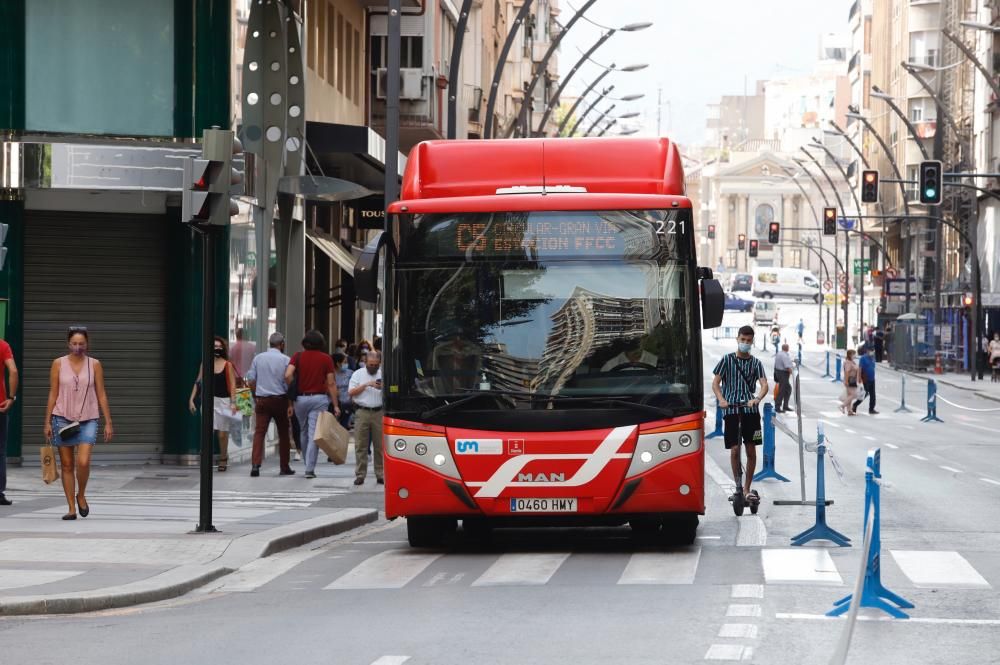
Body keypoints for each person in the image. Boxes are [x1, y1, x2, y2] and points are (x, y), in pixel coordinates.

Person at [44, 327, 113, 520]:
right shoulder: (58, 364)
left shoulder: (95, 365)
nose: (78, 347)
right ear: (68, 344)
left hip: (89, 417)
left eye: (81, 343)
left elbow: (101, 393)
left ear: (87, 344)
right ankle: (71, 508)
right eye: (74, 343)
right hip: (62, 417)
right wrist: (47, 422)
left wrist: (108, 421)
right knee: (67, 464)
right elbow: (53, 393)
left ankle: (81, 494)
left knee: (83, 461)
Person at [711, 326, 768, 506]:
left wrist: (757, 398)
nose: (745, 343)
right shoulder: (727, 360)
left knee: (751, 450)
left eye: (748, 341)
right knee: (735, 449)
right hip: (731, 409)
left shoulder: (756, 363)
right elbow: (715, 383)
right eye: (742, 339)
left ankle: (746, 488)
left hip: (750, 410)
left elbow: (764, 384)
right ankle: (737, 485)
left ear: (752, 342)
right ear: (737, 339)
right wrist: (721, 399)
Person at [286, 330, 339, 479]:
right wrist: (335, 405)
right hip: (318, 399)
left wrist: (293, 386)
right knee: (314, 434)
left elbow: (287, 374)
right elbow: (331, 383)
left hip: (300, 399)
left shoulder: (298, 356)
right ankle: (309, 468)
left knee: (303, 431)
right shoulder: (326, 359)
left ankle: (306, 462)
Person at [245, 332, 294, 477]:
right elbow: (289, 383)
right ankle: (284, 466)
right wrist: (290, 404)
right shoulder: (286, 360)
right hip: (280, 399)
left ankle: (255, 464)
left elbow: (251, 380)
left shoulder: (258, 358)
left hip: (262, 400)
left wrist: (256, 395)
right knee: (284, 432)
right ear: (282, 344)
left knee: (259, 432)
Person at [188, 336, 238, 471]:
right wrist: (191, 399)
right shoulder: (205, 363)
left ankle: (223, 457)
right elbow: (198, 382)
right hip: (209, 401)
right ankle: (206, 458)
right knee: (207, 431)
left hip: (225, 401)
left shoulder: (228, 365)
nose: (216, 349)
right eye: (214, 346)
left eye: (219, 346)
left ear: (223, 349)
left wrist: (233, 403)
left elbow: (233, 385)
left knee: (222, 434)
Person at [349, 350, 384, 486]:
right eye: (370, 364)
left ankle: (380, 474)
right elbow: (351, 392)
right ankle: (360, 474)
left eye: (375, 365)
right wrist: (366, 385)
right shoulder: (358, 374)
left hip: (379, 411)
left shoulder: (383, 374)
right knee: (360, 445)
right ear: (365, 362)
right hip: (362, 412)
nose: (373, 367)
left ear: (379, 363)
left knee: (379, 446)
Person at [0, 336, 18, 507]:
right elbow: (12, 371)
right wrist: (11, 397)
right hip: (0, 405)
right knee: (0, 450)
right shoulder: (2, 345)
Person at [852, 346, 878, 415]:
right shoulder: (863, 358)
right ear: (867, 351)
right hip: (866, 379)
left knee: (873, 394)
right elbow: (860, 369)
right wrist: (859, 378)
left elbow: (873, 367)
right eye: (871, 351)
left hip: (872, 379)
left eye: (873, 351)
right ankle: (855, 405)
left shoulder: (873, 358)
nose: (872, 352)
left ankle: (871, 409)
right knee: (864, 394)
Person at [332, 351, 354, 431]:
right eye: (344, 362)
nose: (346, 364)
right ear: (338, 363)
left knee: (343, 427)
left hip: (347, 404)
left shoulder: (350, 373)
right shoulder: (330, 374)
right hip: (333, 404)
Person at [773, 343, 794, 413]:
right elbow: (787, 366)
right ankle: (777, 406)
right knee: (782, 390)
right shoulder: (785, 355)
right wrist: (792, 373)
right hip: (783, 373)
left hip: (778, 372)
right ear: (787, 348)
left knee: (788, 389)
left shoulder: (779, 353)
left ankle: (785, 406)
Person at [840, 349, 860, 416]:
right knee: (854, 395)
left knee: (849, 395)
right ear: (850, 355)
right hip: (850, 380)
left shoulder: (852, 362)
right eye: (854, 354)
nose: (855, 355)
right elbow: (847, 372)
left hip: (852, 380)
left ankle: (849, 411)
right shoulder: (848, 362)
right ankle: (842, 406)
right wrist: (846, 381)